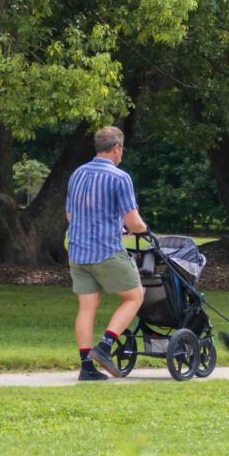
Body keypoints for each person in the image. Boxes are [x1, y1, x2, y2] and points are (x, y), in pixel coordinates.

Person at [64, 126, 148, 380]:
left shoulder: (77, 173)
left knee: (87, 308)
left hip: (78, 251)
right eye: (122, 149)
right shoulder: (120, 177)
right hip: (106, 251)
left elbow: (70, 214)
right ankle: (105, 345)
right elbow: (133, 222)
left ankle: (86, 367)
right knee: (135, 296)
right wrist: (142, 229)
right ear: (117, 148)